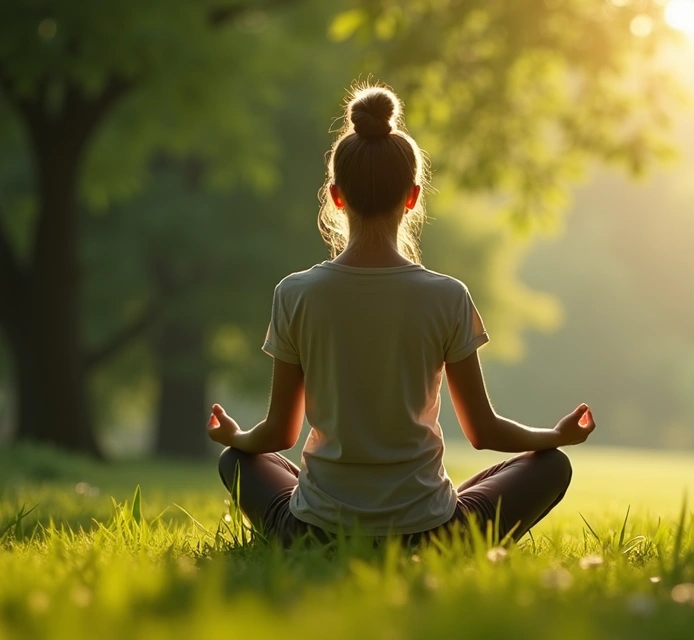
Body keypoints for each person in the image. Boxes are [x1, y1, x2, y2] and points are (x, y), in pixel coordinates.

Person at [205, 84, 596, 546]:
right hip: (431, 533)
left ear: (335, 196)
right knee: (551, 465)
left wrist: (236, 437)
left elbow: (278, 434)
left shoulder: (295, 293)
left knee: (237, 461)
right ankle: (443, 531)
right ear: (412, 196)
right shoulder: (447, 296)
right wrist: (555, 435)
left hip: (315, 529)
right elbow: (483, 431)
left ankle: (310, 534)